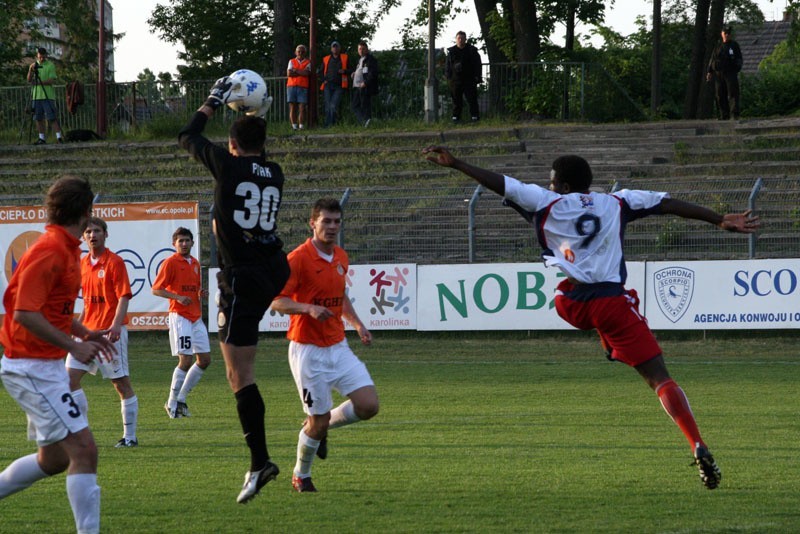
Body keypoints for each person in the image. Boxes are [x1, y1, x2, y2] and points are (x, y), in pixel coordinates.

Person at [423, 145, 761, 490]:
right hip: (612, 303)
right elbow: (669, 204)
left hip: (572, 304)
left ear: (565, 187)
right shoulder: (618, 201)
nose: (549, 186)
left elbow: (502, 183)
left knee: (562, 289)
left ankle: (609, 344)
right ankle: (696, 443)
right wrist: (719, 219)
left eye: (553, 182)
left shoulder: (544, 201)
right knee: (660, 378)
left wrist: (458, 164)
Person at [178, 78, 291, 504]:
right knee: (240, 364)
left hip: (241, 276)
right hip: (272, 269)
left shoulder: (228, 165)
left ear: (230, 145)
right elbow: (257, 149)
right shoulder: (275, 173)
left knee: (238, 375)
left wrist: (211, 101)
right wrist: (253, 112)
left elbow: (187, 136)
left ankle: (260, 462)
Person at [0, 175, 114, 534]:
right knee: (84, 450)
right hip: (30, 366)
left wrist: (84, 332)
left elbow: (53, 311)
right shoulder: (49, 249)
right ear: (85, 210)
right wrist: (74, 346)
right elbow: (24, 313)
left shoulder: (65, 248)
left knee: (54, 459)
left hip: (42, 365)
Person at [271, 198, 379, 493]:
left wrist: (358, 324)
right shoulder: (298, 258)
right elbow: (277, 301)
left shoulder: (341, 257)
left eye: (336, 222)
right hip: (307, 351)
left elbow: (340, 297)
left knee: (369, 405)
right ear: (313, 224)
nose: (332, 227)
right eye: (326, 221)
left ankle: (320, 427)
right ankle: (301, 475)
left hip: (338, 345)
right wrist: (307, 309)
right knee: (315, 422)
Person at [66, 217, 138, 448]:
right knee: (68, 380)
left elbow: (123, 297)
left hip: (109, 333)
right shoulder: (83, 263)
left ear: (105, 234)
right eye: (88, 231)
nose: (92, 235)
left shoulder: (115, 262)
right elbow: (87, 302)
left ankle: (130, 437)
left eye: (97, 230)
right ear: (83, 236)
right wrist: (77, 326)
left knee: (121, 385)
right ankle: (82, 434)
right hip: (87, 333)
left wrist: (117, 324)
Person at [152, 227, 211, 420]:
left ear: (192, 243)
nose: (184, 244)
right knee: (185, 360)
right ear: (174, 244)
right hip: (180, 316)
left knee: (204, 360)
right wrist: (177, 297)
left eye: (187, 240)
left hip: (195, 317)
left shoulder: (194, 263)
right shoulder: (170, 262)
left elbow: (194, 289)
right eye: (180, 241)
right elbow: (157, 289)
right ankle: (171, 403)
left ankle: (182, 399)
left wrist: (201, 294)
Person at [27, 47, 64, 144]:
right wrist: (31, 70)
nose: (41, 59)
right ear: (37, 56)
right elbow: (29, 80)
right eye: (40, 57)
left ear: (46, 56)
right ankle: (42, 138)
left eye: (43, 57)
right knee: (38, 118)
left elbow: (52, 80)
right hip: (36, 96)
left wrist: (39, 83)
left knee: (52, 117)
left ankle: (59, 137)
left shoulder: (50, 65)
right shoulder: (33, 65)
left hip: (48, 95)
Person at [706, 24, 743, 120]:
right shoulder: (718, 46)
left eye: (728, 33)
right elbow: (712, 59)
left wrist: (736, 68)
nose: (727, 35)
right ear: (722, 34)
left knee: (733, 94)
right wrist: (709, 71)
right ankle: (724, 115)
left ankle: (734, 114)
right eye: (725, 33)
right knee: (720, 95)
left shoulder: (734, 46)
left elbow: (739, 59)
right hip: (718, 74)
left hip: (730, 73)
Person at [445, 31, 482, 123]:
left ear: (465, 39)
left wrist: (478, 76)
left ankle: (475, 117)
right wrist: (448, 77)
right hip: (455, 80)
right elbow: (447, 66)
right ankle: (456, 117)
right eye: (459, 38)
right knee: (456, 100)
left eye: (462, 38)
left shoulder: (471, 50)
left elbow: (478, 64)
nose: (461, 40)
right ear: (456, 40)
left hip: (469, 79)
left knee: (472, 99)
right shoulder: (452, 52)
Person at [320, 41, 350, 127]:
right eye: (333, 47)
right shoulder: (326, 59)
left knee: (333, 105)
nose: (335, 48)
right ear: (331, 49)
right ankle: (328, 124)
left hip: (339, 85)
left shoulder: (345, 57)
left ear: (339, 48)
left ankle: (330, 124)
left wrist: (344, 71)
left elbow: (351, 69)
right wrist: (323, 80)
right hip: (328, 85)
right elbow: (320, 71)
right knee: (327, 106)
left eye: (337, 47)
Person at [351, 40, 379, 127]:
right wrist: (354, 74)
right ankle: (364, 122)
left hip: (364, 86)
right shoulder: (359, 60)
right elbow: (360, 71)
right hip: (357, 86)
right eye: (359, 49)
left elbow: (372, 73)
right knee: (355, 106)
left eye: (363, 49)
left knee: (365, 106)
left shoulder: (370, 59)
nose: (361, 51)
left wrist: (365, 83)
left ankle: (366, 122)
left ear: (367, 49)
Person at [287, 44, 311, 131]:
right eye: (299, 51)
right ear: (295, 52)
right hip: (291, 86)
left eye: (302, 51)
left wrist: (296, 70)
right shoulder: (291, 61)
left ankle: (301, 126)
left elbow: (307, 73)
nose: (300, 53)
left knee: (302, 107)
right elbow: (289, 73)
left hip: (303, 86)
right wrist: (301, 72)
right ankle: (294, 126)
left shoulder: (308, 62)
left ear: (305, 53)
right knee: (292, 106)